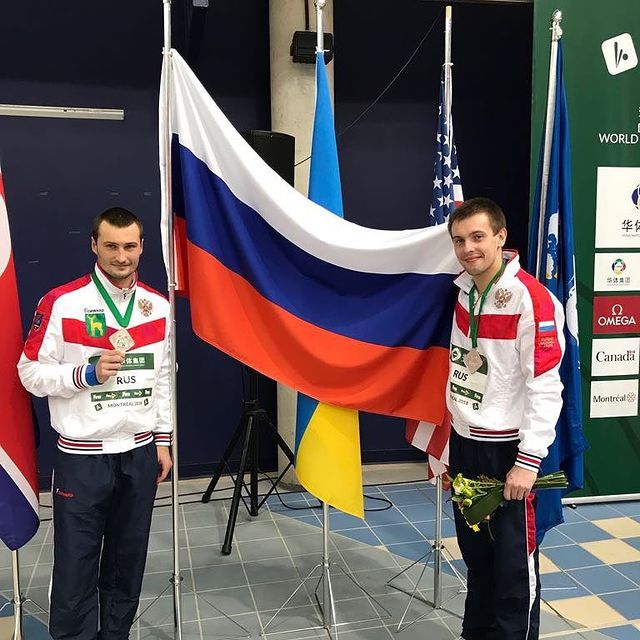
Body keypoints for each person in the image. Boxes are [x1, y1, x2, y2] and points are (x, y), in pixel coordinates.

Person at [18, 207, 172, 640]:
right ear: (94, 245)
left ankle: (116, 635)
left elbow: (162, 376)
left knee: (127, 561)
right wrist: (85, 374)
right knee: (76, 564)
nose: (121, 256)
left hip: (139, 452)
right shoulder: (62, 302)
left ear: (142, 247)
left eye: (129, 246)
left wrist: (162, 440)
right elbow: (29, 372)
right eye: (111, 246)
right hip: (83, 458)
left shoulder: (158, 306)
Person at [446, 197, 564, 640]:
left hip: (508, 451)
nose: (468, 248)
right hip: (466, 444)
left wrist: (528, 460)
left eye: (478, 237)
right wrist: (449, 443)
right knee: (477, 558)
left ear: (501, 237)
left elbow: (545, 386)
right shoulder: (464, 290)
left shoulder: (531, 298)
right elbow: (461, 370)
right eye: (459, 240)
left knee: (514, 566)